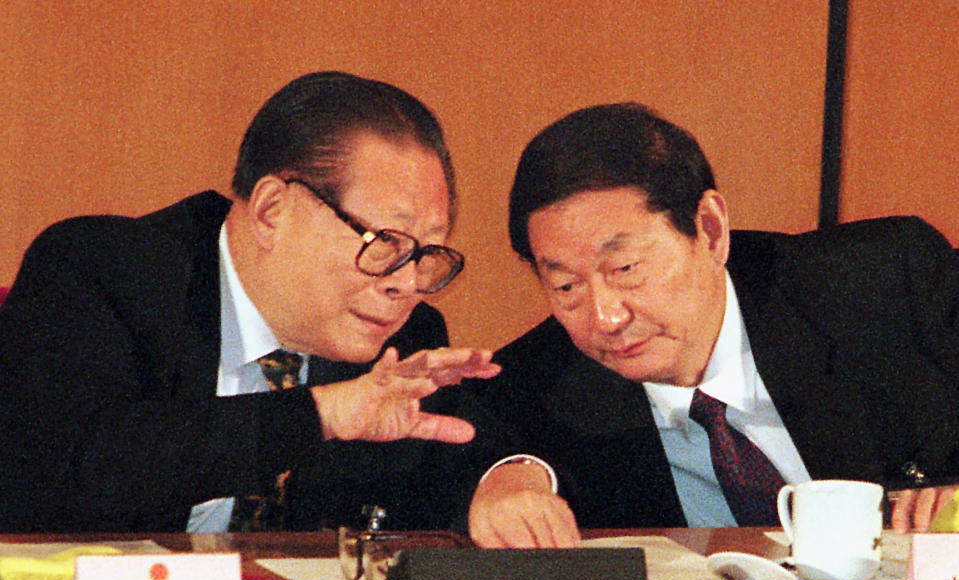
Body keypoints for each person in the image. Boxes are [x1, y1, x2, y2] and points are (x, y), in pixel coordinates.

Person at [0, 71, 499, 533]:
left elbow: (436, 495)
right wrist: (318, 415)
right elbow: (79, 469)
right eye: (386, 242)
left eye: (425, 251)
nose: (405, 282)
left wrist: (507, 483)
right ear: (271, 211)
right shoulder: (101, 270)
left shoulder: (406, 348)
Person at [462, 102, 959, 548]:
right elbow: (449, 471)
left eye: (627, 269)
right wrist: (502, 482)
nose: (606, 318)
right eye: (566, 286)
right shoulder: (529, 388)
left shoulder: (887, 282)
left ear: (710, 230)